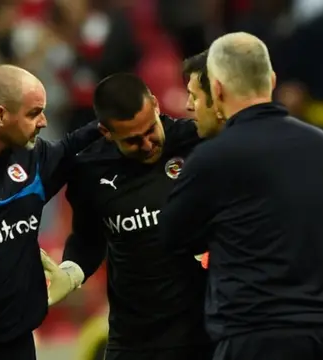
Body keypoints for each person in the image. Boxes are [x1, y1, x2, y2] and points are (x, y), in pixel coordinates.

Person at [159, 32, 323, 360]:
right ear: (272, 80)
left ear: (217, 89)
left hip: (256, 338)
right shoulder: (319, 144)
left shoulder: (212, 158)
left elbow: (171, 237)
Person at [41, 72, 213, 360]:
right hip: (134, 340)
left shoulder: (196, 143)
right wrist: (72, 272)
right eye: (133, 140)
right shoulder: (89, 169)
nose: (147, 145)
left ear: (156, 105)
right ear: (107, 132)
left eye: (151, 131)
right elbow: (88, 238)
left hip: (204, 334)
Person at [0, 64, 100, 360]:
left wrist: (109, 119)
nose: (43, 121)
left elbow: (71, 147)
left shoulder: (34, 160)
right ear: (0, 115)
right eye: (33, 113)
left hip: (18, 344)